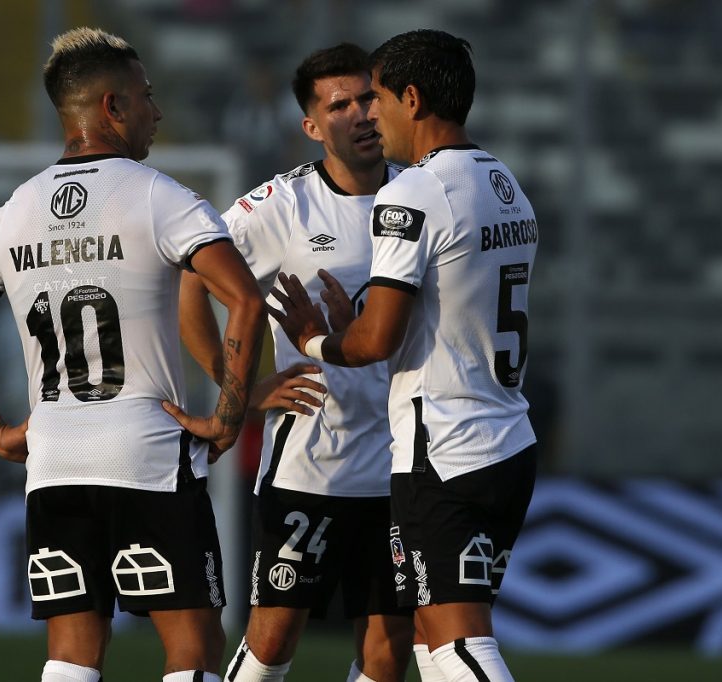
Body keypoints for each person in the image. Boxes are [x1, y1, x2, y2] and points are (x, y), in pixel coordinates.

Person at [0, 27, 265, 682]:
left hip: (55, 461)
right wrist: (228, 415)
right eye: (145, 97)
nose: (156, 112)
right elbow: (242, 300)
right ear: (112, 107)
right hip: (146, 455)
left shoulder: (16, 211)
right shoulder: (160, 196)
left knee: (73, 653)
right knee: (193, 648)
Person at [269, 30, 539, 682]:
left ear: (412, 99)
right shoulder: (505, 184)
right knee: (424, 636)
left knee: (457, 640)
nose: (370, 115)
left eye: (380, 98)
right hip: (507, 438)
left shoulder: (410, 193)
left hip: (443, 449)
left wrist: (313, 338)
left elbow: (374, 342)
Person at [181, 43, 413, 682]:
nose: (362, 114)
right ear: (312, 126)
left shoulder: (424, 196)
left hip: (406, 465)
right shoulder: (276, 208)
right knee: (273, 641)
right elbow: (193, 286)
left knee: (388, 651)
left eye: (370, 97)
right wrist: (243, 392)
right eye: (341, 104)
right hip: (313, 464)